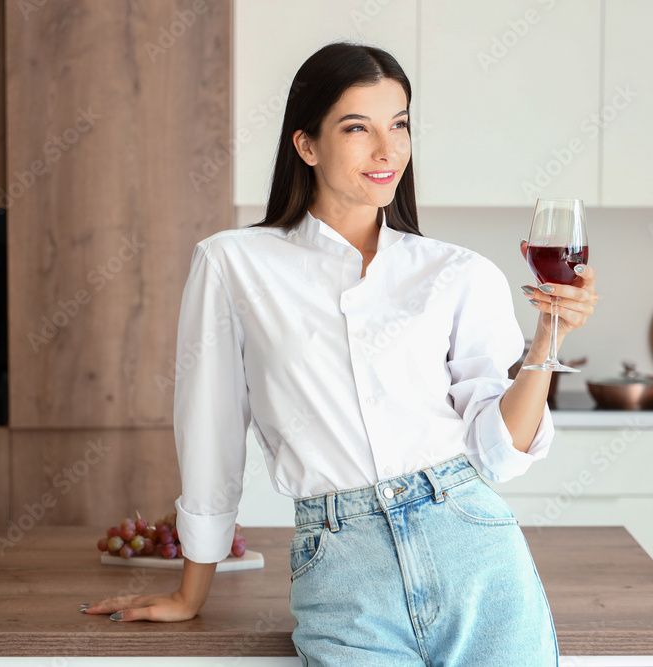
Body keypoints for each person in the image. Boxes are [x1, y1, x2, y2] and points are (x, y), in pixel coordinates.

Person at [84, 41, 598, 666]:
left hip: (475, 552)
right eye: (358, 128)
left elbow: (499, 455)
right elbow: (209, 431)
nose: (388, 151)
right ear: (306, 144)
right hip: (340, 568)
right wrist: (193, 592)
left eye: (399, 124)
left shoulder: (459, 273)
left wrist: (547, 338)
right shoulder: (233, 264)